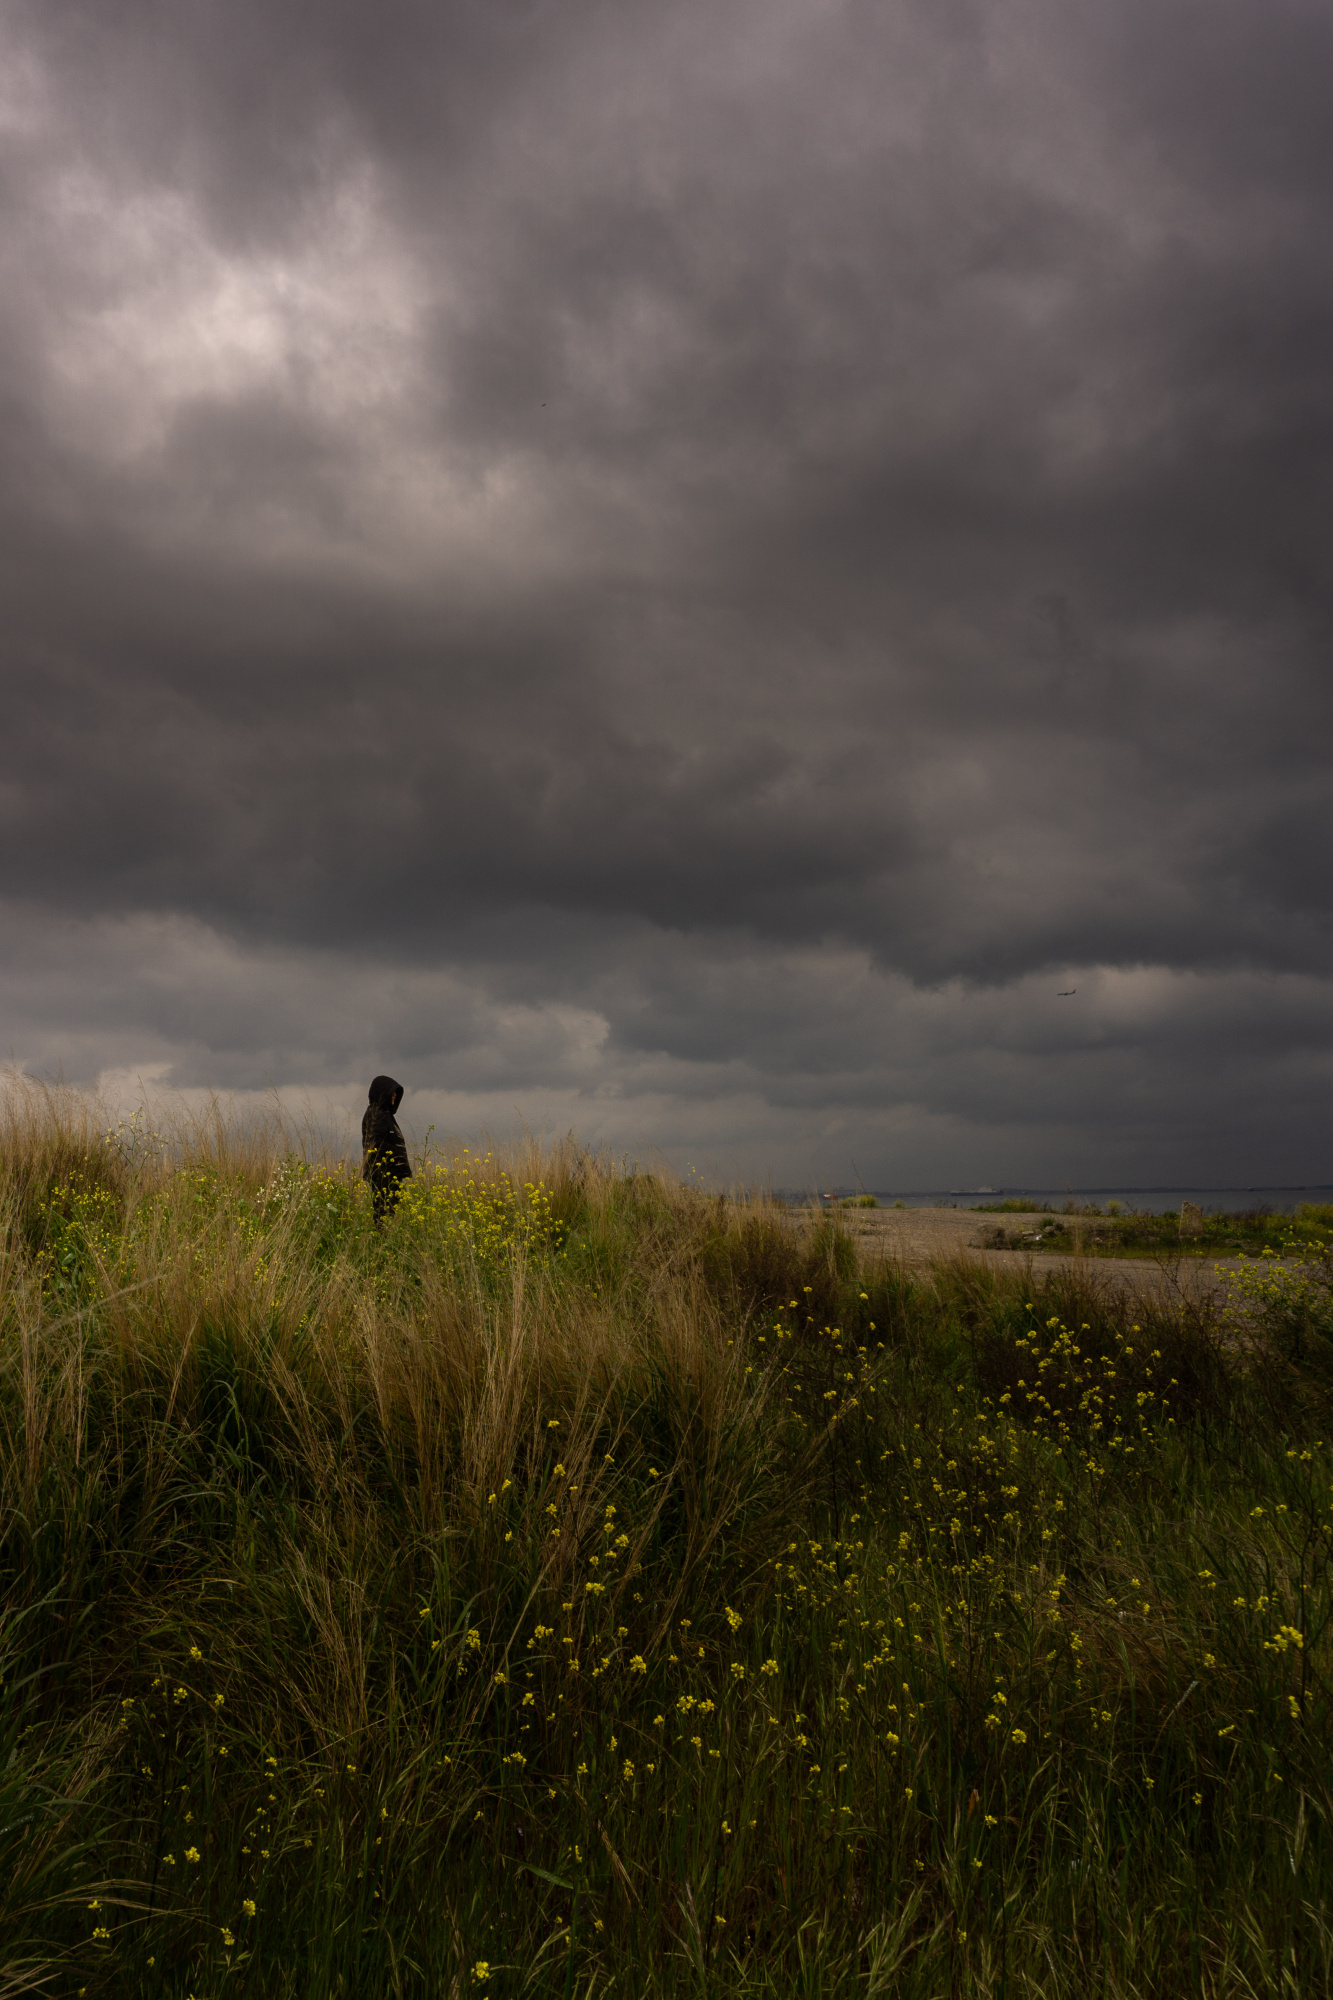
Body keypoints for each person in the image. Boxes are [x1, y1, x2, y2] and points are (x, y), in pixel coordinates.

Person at [362, 1074, 411, 1223]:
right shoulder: (376, 1114)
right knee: (383, 1211)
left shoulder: (385, 1115)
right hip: (383, 1175)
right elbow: (375, 1145)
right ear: (383, 1093)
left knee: (389, 1212)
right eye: (391, 1092)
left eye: (396, 1092)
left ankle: (384, 1233)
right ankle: (381, 1235)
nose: (394, 1095)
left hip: (390, 1174)